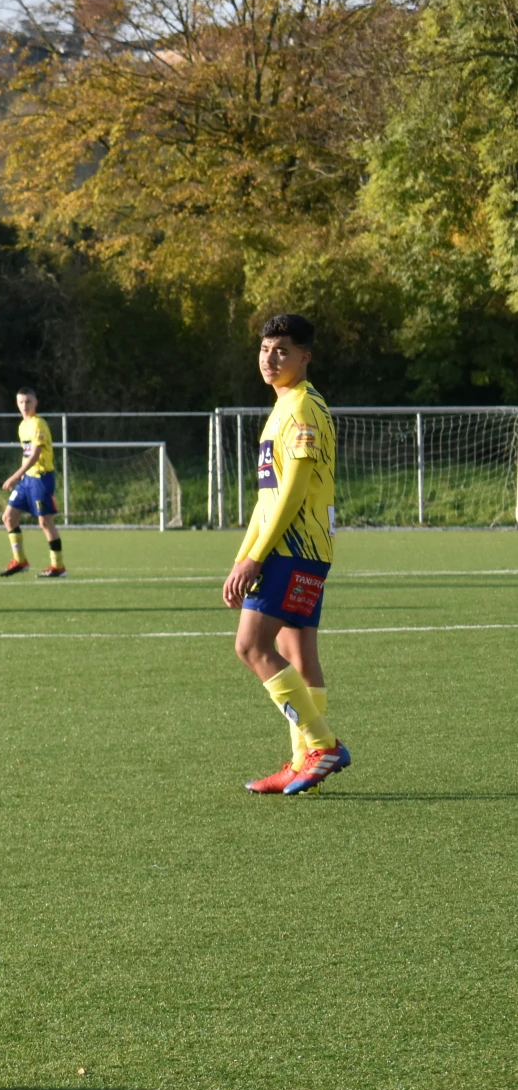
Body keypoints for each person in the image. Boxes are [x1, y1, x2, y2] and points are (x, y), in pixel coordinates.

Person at [224, 314, 349, 796]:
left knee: (251, 646)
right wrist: (243, 554)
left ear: (305, 357)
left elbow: (293, 492)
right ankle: (304, 763)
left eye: (281, 350)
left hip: (293, 546)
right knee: (299, 653)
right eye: (264, 349)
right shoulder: (284, 408)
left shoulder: (302, 408)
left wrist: (256, 557)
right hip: (299, 547)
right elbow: (267, 497)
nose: (270, 358)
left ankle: (321, 745)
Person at [0, 388, 65, 578]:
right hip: (27, 480)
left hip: (41, 479)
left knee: (45, 522)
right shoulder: (22, 426)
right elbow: (26, 453)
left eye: (28, 402)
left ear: (36, 402)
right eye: (20, 402)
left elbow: (35, 455)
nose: (24, 406)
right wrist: (21, 477)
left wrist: (15, 475)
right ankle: (20, 561)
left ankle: (58, 567)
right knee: (8, 518)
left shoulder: (38, 424)